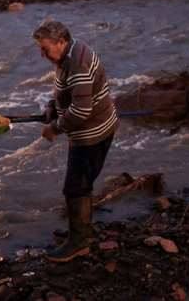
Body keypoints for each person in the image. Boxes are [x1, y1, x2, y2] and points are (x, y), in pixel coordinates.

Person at [33, 20, 118, 263]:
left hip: (92, 133)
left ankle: (80, 243)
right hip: (91, 128)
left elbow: (81, 111)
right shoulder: (70, 53)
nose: (42, 54)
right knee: (81, 183)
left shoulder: (77, 64)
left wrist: (54, 128)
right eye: (40, 48)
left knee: (75, 187)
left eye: (45, 48)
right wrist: (53, 106)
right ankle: (79, 232)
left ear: (61, 42)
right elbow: (68, 92)